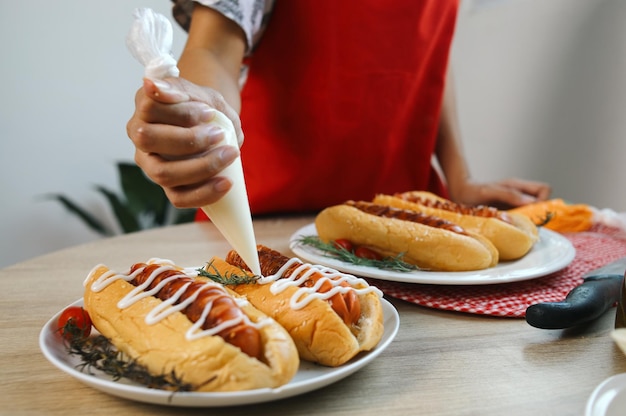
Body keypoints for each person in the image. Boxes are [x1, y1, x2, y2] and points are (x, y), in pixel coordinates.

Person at [126, 0, 551, 221]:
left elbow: (428, 58)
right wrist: (196, 115)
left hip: (411, 210)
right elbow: (215, 50)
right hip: (269, 219)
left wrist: (460, 177)